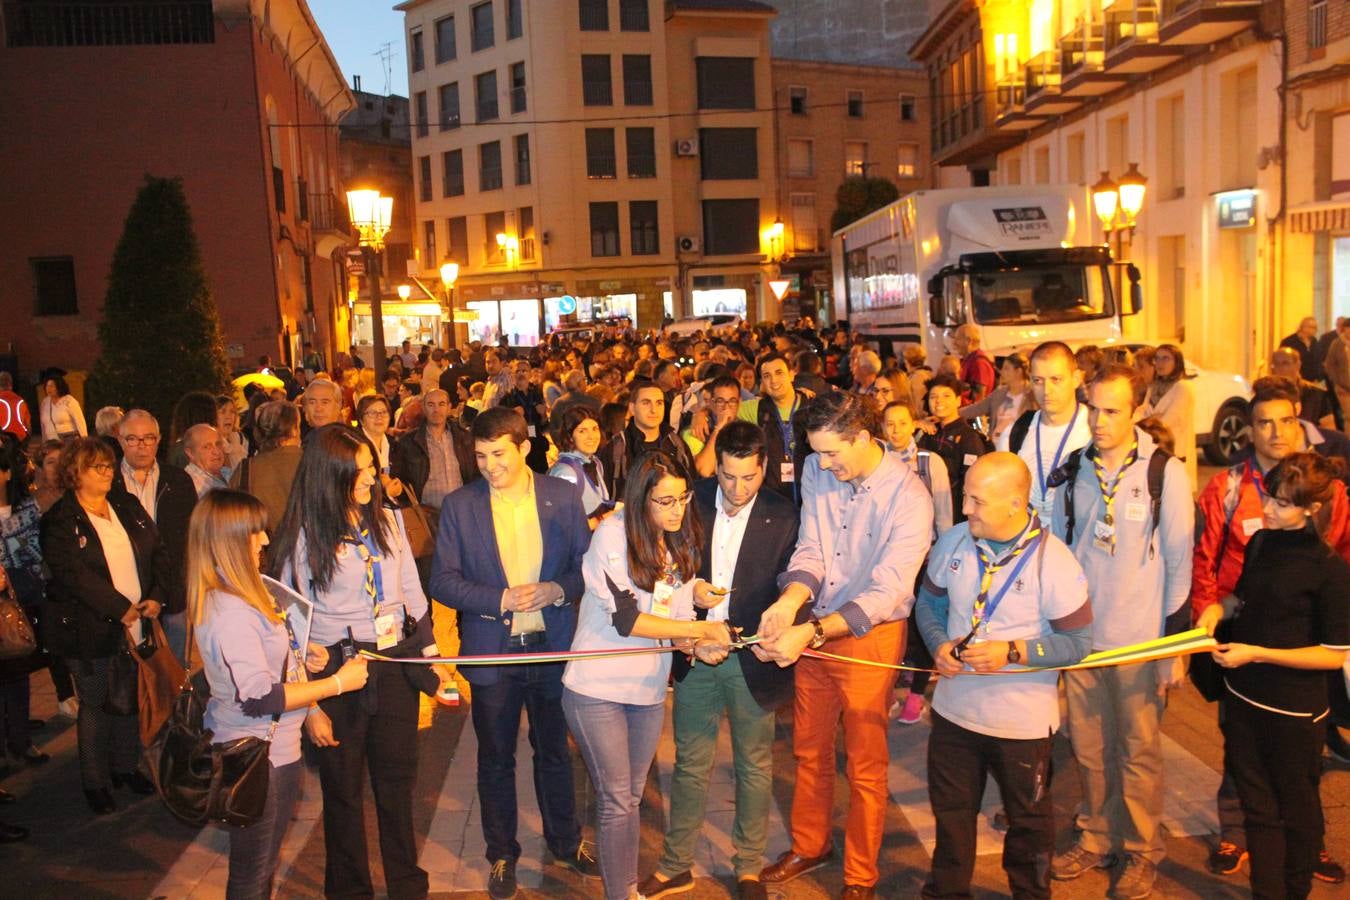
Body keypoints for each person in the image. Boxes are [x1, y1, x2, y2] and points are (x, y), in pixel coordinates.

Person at [754, 392, 934, 899]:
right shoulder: (816, 467)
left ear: (862, 436)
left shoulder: (909, 496)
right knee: (808, 749)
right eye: (817, 453)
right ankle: (811, 846)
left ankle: (860, 876)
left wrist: (808, 630)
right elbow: (812, 546)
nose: (823, 464)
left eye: (833, 452)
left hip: (869, 636)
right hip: (813, 622)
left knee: (865, 764)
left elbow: (888, 592)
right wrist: (790, 601)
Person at [268, 425, 444, 899]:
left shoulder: (386, 520)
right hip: (336, 678)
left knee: (397, 785)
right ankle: (349, 889)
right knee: (342, 793)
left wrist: (432, 657)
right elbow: (288, 625)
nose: (372, 478)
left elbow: (412, 593)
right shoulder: (305, 537)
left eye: (371, 466)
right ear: (331, 476)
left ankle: (407, 884)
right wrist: (310, 707)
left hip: (391, 667)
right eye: (361, 470)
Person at [431, 408, 598, 899]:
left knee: (554, 752)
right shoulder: (461, 505)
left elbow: (585, 568)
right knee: (495, 758)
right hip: (493, 653)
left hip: (550, 647)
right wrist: (498, 599)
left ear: (525, 449)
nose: (488, 465)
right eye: (480, 456)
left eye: (498, 453)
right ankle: (501, 853)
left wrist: (556, 590)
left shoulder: (562, 496)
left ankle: (565, 841)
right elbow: (442, 580)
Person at [1193, 374, 1350, 882]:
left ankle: (1298, 877)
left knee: (1296, 800)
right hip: (1244, 690)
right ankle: (1261, 878)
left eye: (1282, 503)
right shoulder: (1256, 532)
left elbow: (1333, 649)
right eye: (1271, 499)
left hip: (1293, 701)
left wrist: (1257, 652)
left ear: (1312, 509)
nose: (1271, 509)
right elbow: (1232, 585)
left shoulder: (1328, 566)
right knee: (1254, 798)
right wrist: (1218, 610)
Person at [914, 453, 1093, 900]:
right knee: (951, 819)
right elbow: (928, 605)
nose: (966, 508)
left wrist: (1012, 652)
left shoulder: (1055, 562)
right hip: (955, 714)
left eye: (977, 501)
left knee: (1029, 825)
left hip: (1022, 725)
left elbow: (1078, 644)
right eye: (966, 496)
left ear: (1015, 504)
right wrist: (938, 644)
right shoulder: (954, 541)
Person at [638, 423, 799, 900]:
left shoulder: (782, 513)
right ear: (718, 467)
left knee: (754, 764)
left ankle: (748, 867)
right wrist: (691, 604)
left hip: (754, 655)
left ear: (763, 468)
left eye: (748, 478)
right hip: (699, 650)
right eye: (728, 477)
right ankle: (675, 865)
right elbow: (665, 566)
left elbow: (793, 580)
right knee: (690, 762)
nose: (737, 489)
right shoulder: (693, 500)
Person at [1049, 366, 1194, 899]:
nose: (1100, 420)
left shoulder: (1164, 473)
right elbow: (1061, 555)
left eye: (1112, 410)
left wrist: (1171, 651)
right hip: (1085, 640)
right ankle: (1096, 836)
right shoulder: (1073, 471)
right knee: (1088, 748)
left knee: (1138, 751)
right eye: (1093, 408)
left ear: (1136, 412)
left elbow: (1179, 566)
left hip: (1140, 642)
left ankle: (1140, 851)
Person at [562, 452, 732, 900]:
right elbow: (628, 620)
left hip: (649, 686)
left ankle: (626, 889)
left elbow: (670, 610)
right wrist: (698, 628)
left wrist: (698, 621)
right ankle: (623, 894)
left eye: (683, 498)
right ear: (641, 499)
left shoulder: (675, 536)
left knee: (631, 798)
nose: (678, 510)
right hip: (597, 686)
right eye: (665, 501)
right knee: (617, 799)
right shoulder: (612, 536)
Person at [188, 489, 371, 899]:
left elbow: (270, 664)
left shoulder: (241, 593)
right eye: (255, 533)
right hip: (258, 757)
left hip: (273, 750)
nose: (266, 540)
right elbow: (259, 696)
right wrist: (337, 683)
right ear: (229, 540)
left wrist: (304, 667)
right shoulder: (231, 609)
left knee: (261, 867)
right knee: (253, 875)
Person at [40, 437, 168, 814]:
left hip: (138, 623)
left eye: (110, 465)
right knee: (96, 703)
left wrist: (157, 596)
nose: (108, 472)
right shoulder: (60, 521)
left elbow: (157, 551)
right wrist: (118, 608)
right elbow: (72, 575)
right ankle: (95, 781)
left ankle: (126, 767)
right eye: (99, 467)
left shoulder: (126, 506)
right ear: (75, 472)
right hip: (91, 629)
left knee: (129, 700)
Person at [114, 409, 198, 666]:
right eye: (133, 439)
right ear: (120, 439)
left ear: (158, 439)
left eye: (148, 438)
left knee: (172, 669)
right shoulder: (109, 484)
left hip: (172, 592)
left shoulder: (178, 481)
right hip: (124, 592)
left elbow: (191, 537)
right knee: (130, 672)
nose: (141, 446)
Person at [0, 438, 48, 768]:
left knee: (17, 671)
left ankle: (20, 739)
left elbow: (34, 551)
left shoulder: (25, 505)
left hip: (19, 598)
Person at [1009, 341, 1091, 530]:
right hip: (1030, 546)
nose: (1047, 390)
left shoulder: (1094, 430)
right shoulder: (1016, 432)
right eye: (1038, 380)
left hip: (1077, 546)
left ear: (1076, 378)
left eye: (1056, 379)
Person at [390, 388, 476, 511]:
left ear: (449, 407)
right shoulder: (408, 443)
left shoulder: (465, 439)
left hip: (462, 511)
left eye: (441, 404)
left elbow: (475, 476)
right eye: (431, 405)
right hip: (428, 515)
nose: (436, 410)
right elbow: (400, 483)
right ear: (424, 408)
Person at [918, 374, 989, 521]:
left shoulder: (969, 437)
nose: (939, 401)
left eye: (946, 396)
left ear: (958, 400)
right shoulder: (927, 433)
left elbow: (973, 481)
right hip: (927, 511)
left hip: (955, 515)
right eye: (933, 397)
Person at [609, 379, 696, 498]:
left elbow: (692, 486)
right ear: (632, 408)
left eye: (659, 403)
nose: (654, 410)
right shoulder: (617, 448)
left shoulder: (676, 444)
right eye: (646, 403)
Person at [229, 401, 302, 535]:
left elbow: (231, 515)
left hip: (261, 550)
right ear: (295, 429)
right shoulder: (312, 463)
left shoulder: (246, 469)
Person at [883, 400, 953, 537]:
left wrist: (944, 550)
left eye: (903, 423)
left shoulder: (930, 461)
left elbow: (943, 515)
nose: (896, 430)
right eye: (890, 424)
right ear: (883, 427)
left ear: (913, 426)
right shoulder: (876, 463)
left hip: (925, 547)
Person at [752, 353, 811, 505]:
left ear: (792, 375)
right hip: (773, 503)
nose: (774, 380)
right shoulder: (755, 408)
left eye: (779, 373)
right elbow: (723, 407)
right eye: (766, 376)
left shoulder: (813, 406)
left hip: (811, 499)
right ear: (762, 382)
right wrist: (701, 413)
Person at [548, 405, 614, 529]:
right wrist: (607, 517)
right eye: (582, 431)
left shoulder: (596, 463)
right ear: (570, 437)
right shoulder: (565, 472)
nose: (591, 436)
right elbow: (565, 526)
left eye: (595, 429)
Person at [1140, 343, 1196, 489]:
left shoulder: (1182, 387)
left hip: (1175, 453)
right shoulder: (1152, 387)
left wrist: (1151, 422)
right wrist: (1152, 420)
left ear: (1177, 362)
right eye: (1157, 359)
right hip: (1153, 453)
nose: (1160, 363)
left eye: (1166, 358)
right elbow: (1140, 417)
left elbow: (1169, 421)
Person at [959, 352, 1033, 449]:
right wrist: (952, 413)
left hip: (1021, 448)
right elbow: (976, 408)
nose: (1002, 372)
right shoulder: (999, 394)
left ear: (1018, 371)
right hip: (997, 447)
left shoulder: (1032, 395)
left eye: (1007, 368)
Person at [1270, 347, 1334, 428]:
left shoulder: (1318, 394)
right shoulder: (1267, 394)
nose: (1280, 368)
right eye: (1276, 364)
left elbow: (1328, 428)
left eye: (1285, 363)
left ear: (1298, 365)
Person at [953, 324, 996, 404]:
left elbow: (979, 397)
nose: (954, 343)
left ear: (968, 341)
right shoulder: (969, 360)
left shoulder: (979, 363)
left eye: (957, 339)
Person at [183, 423, 229, 496]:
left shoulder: (229, 472)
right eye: (207, 447)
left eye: (218, 444)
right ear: (190, 453)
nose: (216, 452)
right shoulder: (189, 485)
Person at [38, 375, 86, 442]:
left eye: (52, 386)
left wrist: (84, 440)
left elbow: (80, 421)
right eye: (47, 386)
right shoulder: (45, 403)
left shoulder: (69, 401)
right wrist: (44, 441)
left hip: (69, 438)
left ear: (59, 387)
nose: (48, 389)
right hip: (52, 440)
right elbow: (43, 425)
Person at [1279, 315, 1323, 384]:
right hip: (1293, 381)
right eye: (1313, 327)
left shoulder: (1315, 342)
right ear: (1303, 327)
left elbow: (1319, 361)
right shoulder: (1289, 342)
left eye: (1316, 328)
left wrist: (1318, 377)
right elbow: (1282, 362)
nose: (1315, 330)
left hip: (1312, 383)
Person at [216, 395, 249, 472]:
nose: (228, 416)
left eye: (232, 412)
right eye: (222, 412)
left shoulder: (240, 440)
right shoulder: (213, 444)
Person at [0, 372, 31, 441]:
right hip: (20, 439)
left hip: (3, 441)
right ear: (11, 385)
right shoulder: (21, 401)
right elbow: (28, 425)